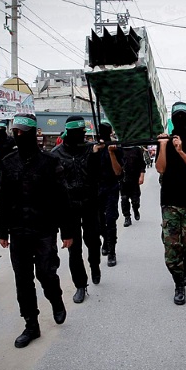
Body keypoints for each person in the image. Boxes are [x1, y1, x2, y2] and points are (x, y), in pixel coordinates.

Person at [0, 113, 75, 348]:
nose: (17, 135)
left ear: (32, 133)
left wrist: (67, 231)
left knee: (45, 273)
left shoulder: (50, 162)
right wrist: (2, 230)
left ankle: (56, 298)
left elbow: (63, 198)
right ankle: (31, 324)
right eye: (15, 132)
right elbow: (2, 198)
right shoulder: (8, 162)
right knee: (23, 279)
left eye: (22, 132)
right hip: (18, 230)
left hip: (44, 229)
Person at [156, 101, 186, 305]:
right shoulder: (165, 141)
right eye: (176, 116)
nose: (180, 120)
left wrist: (180, 151)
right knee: (171, 248)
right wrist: (163, 146)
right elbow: (160, 169)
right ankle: (179, 283)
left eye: (182, 116)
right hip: (169, 202)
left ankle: (184, 265)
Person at [52, 116, 104, 303]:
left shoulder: (91, 149)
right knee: (74, 249)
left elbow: (98, 176)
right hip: (69, 208)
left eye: (84, 133)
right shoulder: (56, 154)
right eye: (78, 133)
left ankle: (95, 266)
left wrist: (96, 155)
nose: (82, 136)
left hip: (90, 203)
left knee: (93, 241)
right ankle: (80, 285)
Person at [97, 122, 124, 267]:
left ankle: (112, 251)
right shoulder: (94, 147)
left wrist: (111, 152)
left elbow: (118, 171)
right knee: (100, 221)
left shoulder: (116, 148)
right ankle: (106, 240)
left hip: (111, 188)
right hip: (97, 189)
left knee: (111, 219)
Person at [121, 146, 146, 227]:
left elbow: (142, 164)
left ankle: (135, 209)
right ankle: (127, 217)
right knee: (124, 198)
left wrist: (141, 176)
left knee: (135, 199)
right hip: (123, 179)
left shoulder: (137, 149)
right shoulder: (119, 149)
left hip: (134, 178)